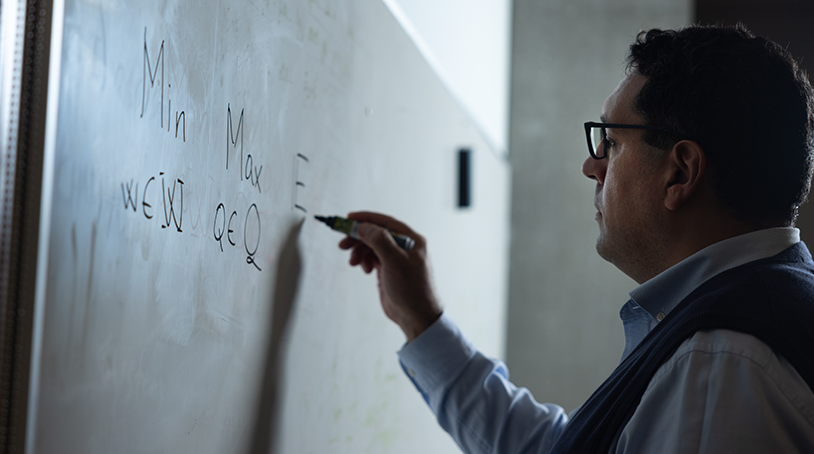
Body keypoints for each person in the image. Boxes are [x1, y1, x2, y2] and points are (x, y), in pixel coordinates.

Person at [338, 24, 814, 453]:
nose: (592, 166)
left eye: (611, 141)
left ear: (680, 172)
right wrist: (423, 322)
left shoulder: (723, 363)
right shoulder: (746, 321)